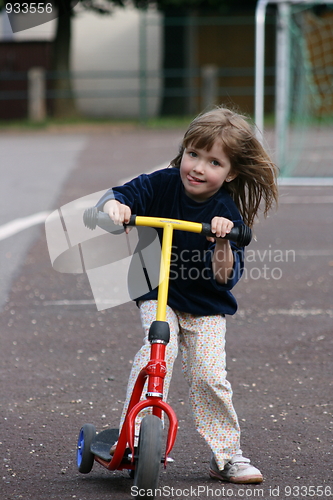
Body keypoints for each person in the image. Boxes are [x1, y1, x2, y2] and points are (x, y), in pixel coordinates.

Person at [96, 106, 278, 484]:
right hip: (158, 294)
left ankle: (227, 456)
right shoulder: (162, 185)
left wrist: (223, 240)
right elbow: (122, 196)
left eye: (214, 162)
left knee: (210, 377)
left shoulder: (226, 212)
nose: (198, 167)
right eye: (193, 154)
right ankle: (134, 438)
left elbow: (224, 277)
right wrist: (115, 206)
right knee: (155, 356)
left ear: (231, 173)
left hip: (206, 306)